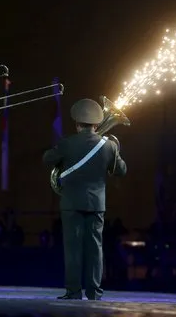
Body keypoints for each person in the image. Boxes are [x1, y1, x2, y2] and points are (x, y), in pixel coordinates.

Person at [42, 98, 127, 301]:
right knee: (95, 248)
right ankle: (94, 293)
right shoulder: (108, 146)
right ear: (97, 124)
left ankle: (73, 292)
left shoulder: (67, 142)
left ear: (77, 123)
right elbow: (121, 171)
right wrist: (117, 150)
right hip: (97, 204)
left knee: (73, 248)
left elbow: (47, 159)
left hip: (71, 203)